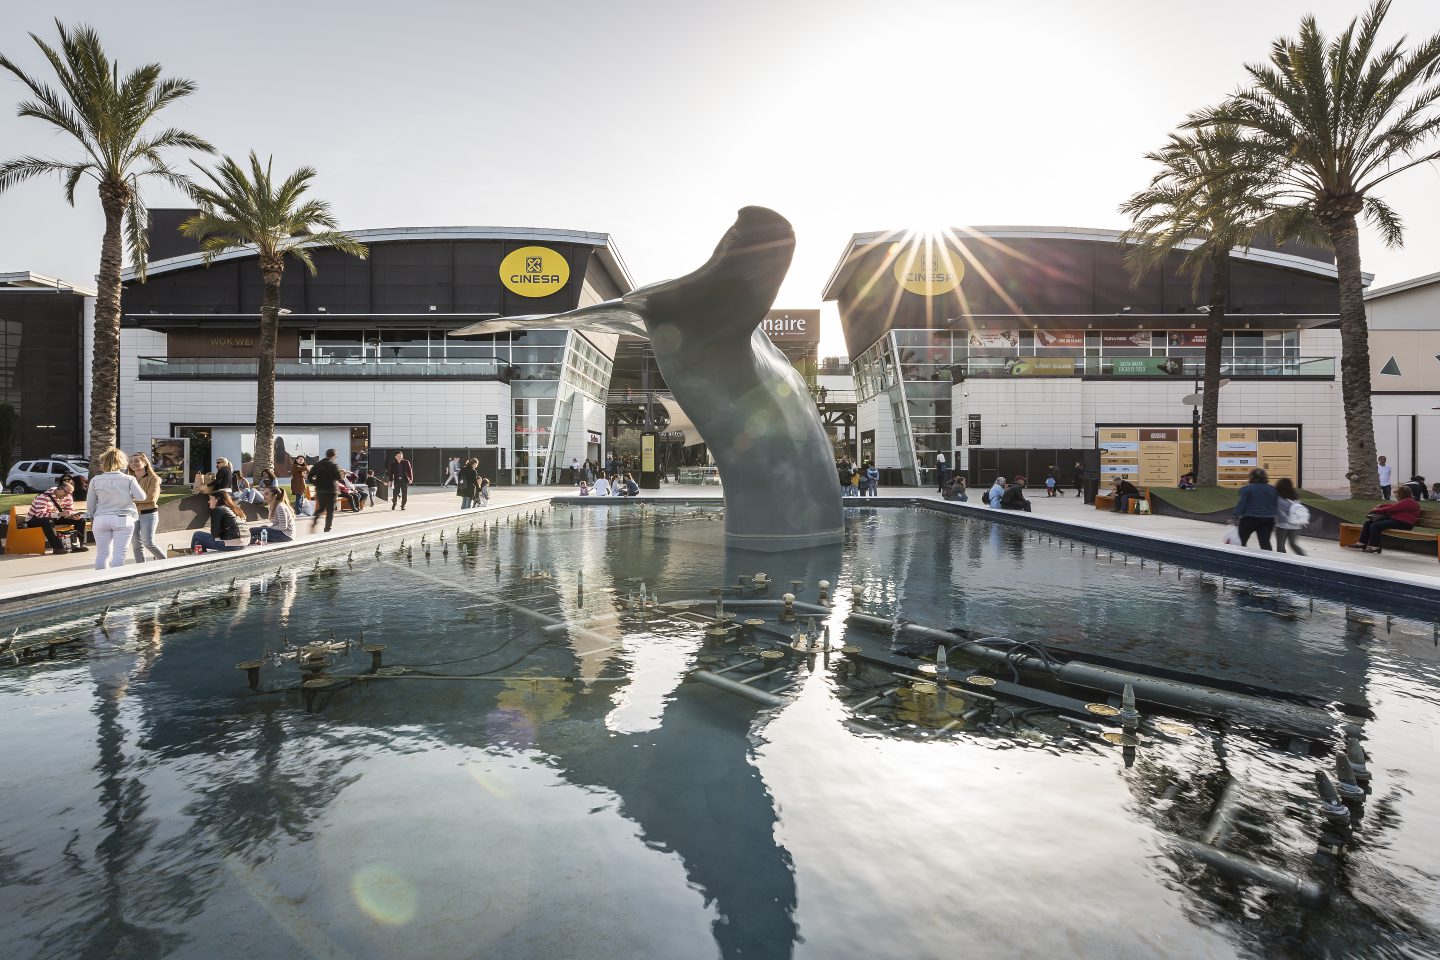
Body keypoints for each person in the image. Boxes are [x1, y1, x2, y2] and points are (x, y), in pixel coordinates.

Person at [88, 447, 147, 569]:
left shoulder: (95, 480)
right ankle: (115, 581)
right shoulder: (129, 479)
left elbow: (90, 503)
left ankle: (100, 581)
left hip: (101, 518)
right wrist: (129, 495)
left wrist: (91, 516)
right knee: (119, 553)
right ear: (122, 462)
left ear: (104, 462)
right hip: (123, 518)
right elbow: (141, 497)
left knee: (102, 553)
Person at [25, 475, 89, 555]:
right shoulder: (43, 497)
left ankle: (80, 545)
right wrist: (59, 514)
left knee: (80, 520)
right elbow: (40, 515)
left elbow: (69, 510)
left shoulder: (68, 496)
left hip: (54, 518)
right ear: (59, 488)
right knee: (47, 521)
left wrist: (73, 515)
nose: (68, 495)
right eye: (66, 492)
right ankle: (58, 548)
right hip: (34, 520)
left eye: (70, 493)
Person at [1351, 487, 1421, 554]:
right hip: (1397, 521)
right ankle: (1362, 543)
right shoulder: (1407, 501)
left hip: (1404, 523)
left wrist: (1375, 510)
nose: (1396, 494)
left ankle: (1374, 546)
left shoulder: (1409, 501)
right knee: (1368, 523)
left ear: (1401, 494)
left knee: (1375, 526)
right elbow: (1392, 506)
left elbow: (1392, 509)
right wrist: (1381, 506)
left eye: (1397, 493)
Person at [128, 452, 166, 562]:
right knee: (136, 545)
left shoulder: (153, 478)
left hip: (149, 514)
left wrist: (131, 500)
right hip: (133, 515)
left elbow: (151, 498)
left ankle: (166, 563)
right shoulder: (129, 479)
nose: (133, 463)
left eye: (136, 461)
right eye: (131, 462)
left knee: (148, 543)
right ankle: (141, 568)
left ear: (144, 463)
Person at [1229, 468, 1278, 550]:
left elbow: (1242, 504)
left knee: (1241, 542)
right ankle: (1268, 561)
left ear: (1251, 477)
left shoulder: (1247, 489)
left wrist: (1234, 516)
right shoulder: (1273, 489)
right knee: (1265, 543)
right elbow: (1275, 504)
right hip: (1267, 519)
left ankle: (1241, 560)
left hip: (1249, 519)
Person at [307, 448, 343, 533]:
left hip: (320, 490)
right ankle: (327, 529)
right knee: (330, 511)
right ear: (333, 455)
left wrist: (316, 483)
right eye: (335, 455)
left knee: (321, 508)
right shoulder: (334, 465)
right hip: (331, 491)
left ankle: (314, 521)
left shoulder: (318, 464)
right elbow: (339, 477)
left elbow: (309, 476)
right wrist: (340, 472)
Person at [1273, 477, 1310, 556]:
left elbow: (1276, 511)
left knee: (1280, 545)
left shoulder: (1278, 497)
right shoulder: (1295, 496)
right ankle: (1306, 559)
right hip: (1295, 524)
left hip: (1282, 525)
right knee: (1293, 544)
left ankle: (1283, 563)